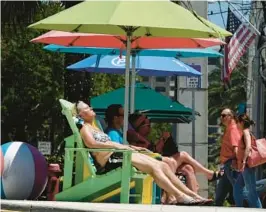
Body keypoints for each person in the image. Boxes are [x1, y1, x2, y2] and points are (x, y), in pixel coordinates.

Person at [76, 101, 212, 205]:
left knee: (162, 166)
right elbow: (91, 144)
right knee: (154, 167)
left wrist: (133, 148)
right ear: (81, 114)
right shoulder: (85, 128)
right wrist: (117, 146)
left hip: (120, 155)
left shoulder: (96, 129)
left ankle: (190, 194)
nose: (91, 109)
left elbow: (113, 144)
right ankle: (179, 196)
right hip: (111, 160)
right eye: (88, 108)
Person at [235, 114, 262, 208]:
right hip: (245, 166)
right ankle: (241, 207)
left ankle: (258, 210)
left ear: (241, 122)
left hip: (247, 165)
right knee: (238, 187)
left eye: (237, 122)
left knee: (251, 191)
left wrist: (243, 162)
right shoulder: (245, 132)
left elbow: (248, 147)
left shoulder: (246, 132)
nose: (236, 124)